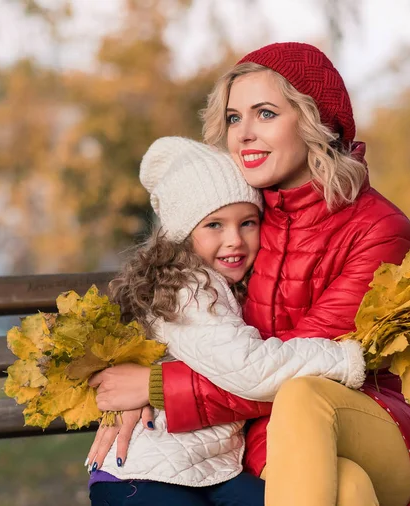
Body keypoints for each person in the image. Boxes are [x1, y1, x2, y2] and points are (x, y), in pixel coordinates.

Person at [89, 42, 410, 506]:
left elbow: (309, 368)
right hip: (266, 439)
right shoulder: (240, 218)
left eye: (265, 114)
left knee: (305, 394)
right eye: (233, 118)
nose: (243, 133)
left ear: (314, 122)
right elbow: (195, 327)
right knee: (344, 489)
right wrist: (139, 394)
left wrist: (159, 387)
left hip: (379, 423)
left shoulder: (377, 229)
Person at [87, 136, 367, 506]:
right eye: (214, 225)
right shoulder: (185, 289)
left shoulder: (229, 285)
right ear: (182, 236)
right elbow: (249, 368)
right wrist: (342, 359)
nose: (234, 240)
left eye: (247, 222)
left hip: (212, 470)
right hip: (145, 473)